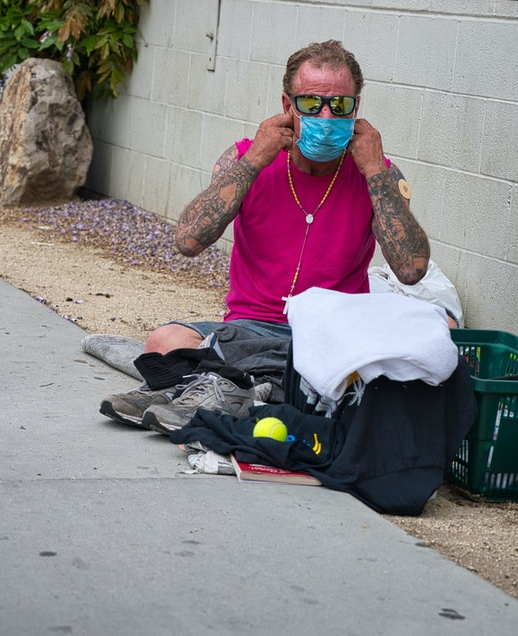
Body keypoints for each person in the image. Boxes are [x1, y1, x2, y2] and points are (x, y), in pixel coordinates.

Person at [99, 39, 432, 433]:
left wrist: (374, 169)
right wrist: (256, 158)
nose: (326, 115)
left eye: (339, 105)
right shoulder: (246, 157)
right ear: (287, 105)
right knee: (165, 341)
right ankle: (252, 390)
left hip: (330, 334)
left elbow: (411, 270)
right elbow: (187, 242)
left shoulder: (379, 175)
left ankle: (219, 388)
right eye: (311, 103)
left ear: (356, 109)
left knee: (366, 371)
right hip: (250, 329)